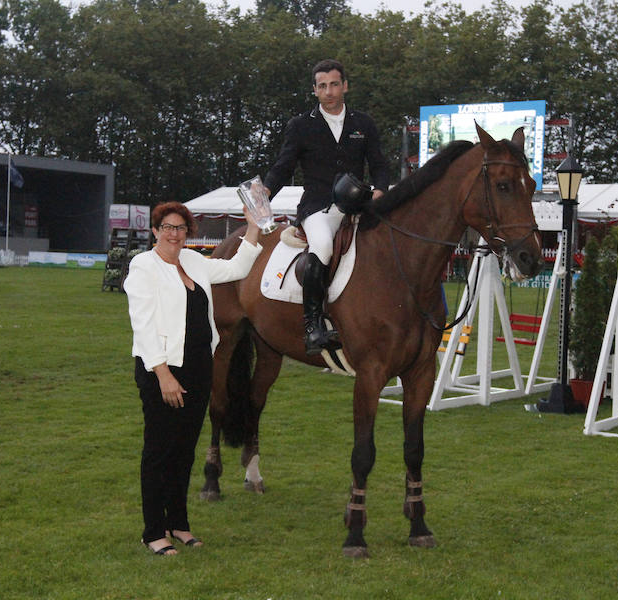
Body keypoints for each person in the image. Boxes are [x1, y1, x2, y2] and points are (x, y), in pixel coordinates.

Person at [124, 201, 262, 556]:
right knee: (159, 451)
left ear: (188, 233)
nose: (174, 234)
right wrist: (163, 374)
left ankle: (179, 523)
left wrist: (254, 225)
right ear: (155, 231)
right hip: (163, 371)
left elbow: (237, 266)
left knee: (185, 450)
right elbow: (143, 324)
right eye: (167, 227)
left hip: (200, 368)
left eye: (181, 228)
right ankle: (154, 531)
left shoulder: (194, 261)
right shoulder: (143, 266)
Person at [263, 58, 390, 355]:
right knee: (321, 246)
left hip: (358, 205)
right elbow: (283, 167)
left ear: (345, 85)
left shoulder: (364, 124)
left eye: (334, 84)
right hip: (318, 208)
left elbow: (380, 165)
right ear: (315, 90)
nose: (329, 91)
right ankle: (313, 325)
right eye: (323, 86)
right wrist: (265, 192)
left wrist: (381, 190)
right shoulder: (300, 126)